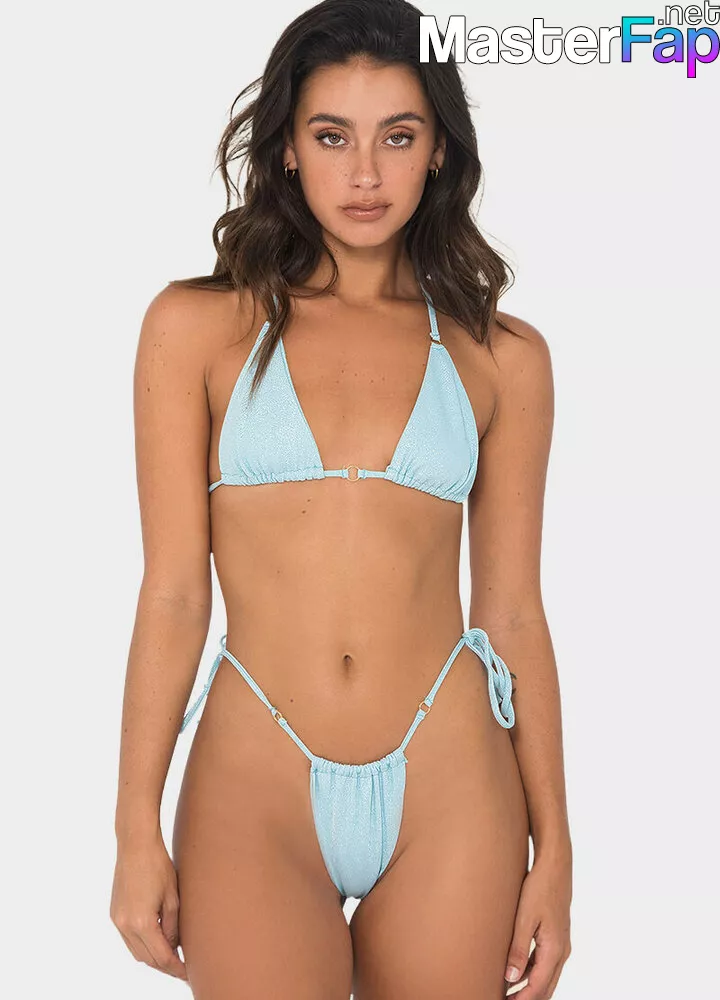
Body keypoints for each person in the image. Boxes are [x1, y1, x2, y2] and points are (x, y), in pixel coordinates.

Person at [110, 1, 572, 996]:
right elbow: (174, 593)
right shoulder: (195, 329)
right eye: (332, 137)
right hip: (256, 776)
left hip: (452, 775)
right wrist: (133, 827)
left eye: (397, 137)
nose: (365, 174)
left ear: (439, 150)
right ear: (286, 148)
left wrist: (558, 852)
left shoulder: (504, 356)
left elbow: (512, 614)